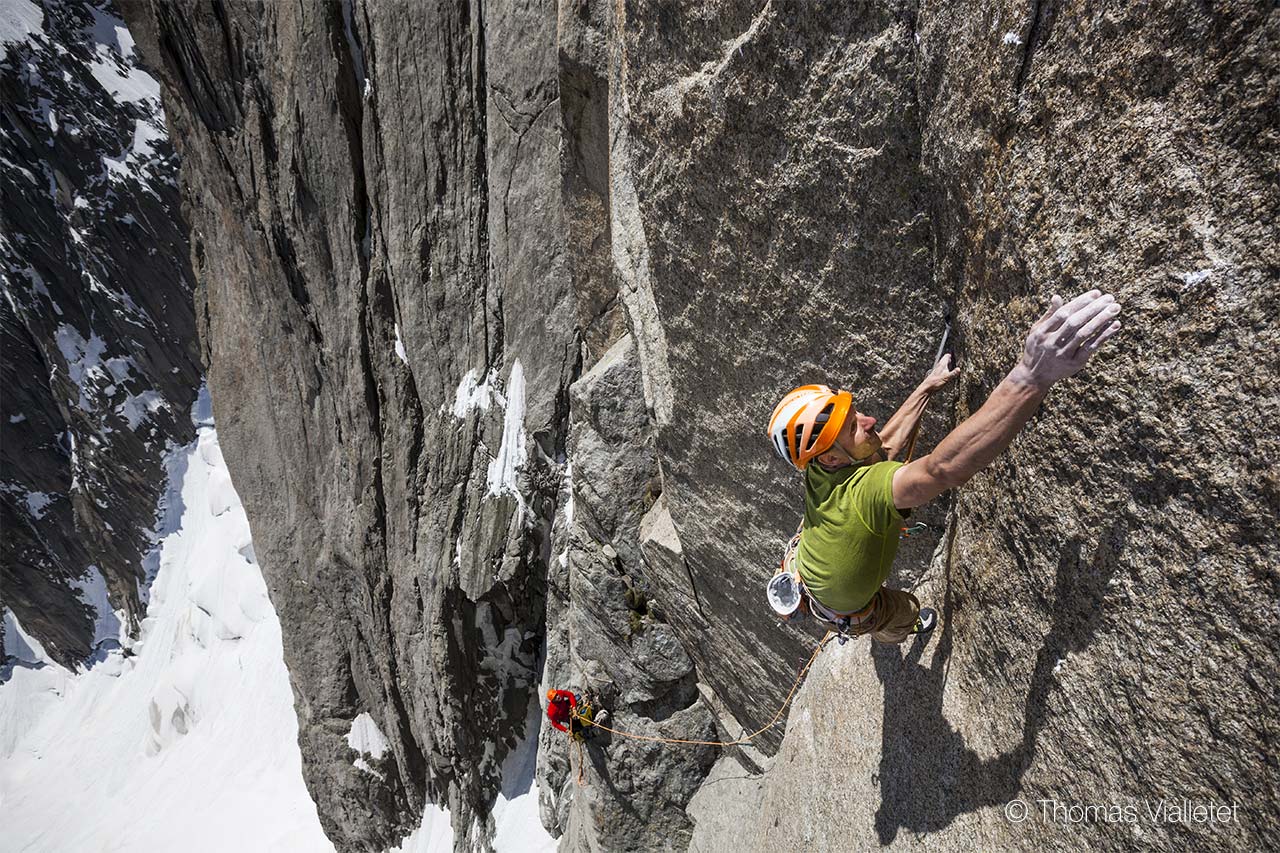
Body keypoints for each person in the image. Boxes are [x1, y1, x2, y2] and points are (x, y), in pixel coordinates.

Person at [767, 290, 1122, 643]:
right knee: (901, 611)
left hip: (808, 566)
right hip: (843, 607)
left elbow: (882, 449)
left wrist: (925, 388)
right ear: (829, 456)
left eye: (855, 411)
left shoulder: (819, 466)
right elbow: (942, 469)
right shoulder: (862, 494)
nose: (869, 419)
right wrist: (1030, 378)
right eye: (853, 426)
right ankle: (898, 630)